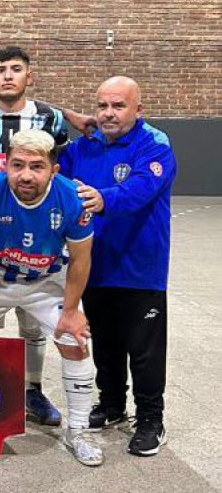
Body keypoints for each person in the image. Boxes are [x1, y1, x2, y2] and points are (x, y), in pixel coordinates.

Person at [0, 46, 95, 426]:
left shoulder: (49, 119)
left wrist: (74, 115)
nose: (8, 76)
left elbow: (57, 159)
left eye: (17, 69)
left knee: (38, 329)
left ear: (29, 76)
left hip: (40, 241)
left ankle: (34, 393)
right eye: (0, 69)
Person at [0, 130, 103, 467]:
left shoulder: (72, 199)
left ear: (53, 170)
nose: (25, 174)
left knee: (75, 340)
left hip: (46, 280)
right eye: (17, 165)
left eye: (36, 166)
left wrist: (71, 311)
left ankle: (78, 431)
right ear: (5, 165)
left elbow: (81, 259)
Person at [59, 76, 176, 457]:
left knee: (143, 349)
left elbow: (140, 190)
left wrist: (100, 197)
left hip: (141, 268)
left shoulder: (154, 145)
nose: (108, 113)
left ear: (137, 109)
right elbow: (54, 174)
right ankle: (111, 405)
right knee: (105, 343)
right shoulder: (83, 147)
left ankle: (150, 421)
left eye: (118, 106)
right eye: (102, 106)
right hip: (93, 264)